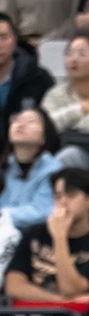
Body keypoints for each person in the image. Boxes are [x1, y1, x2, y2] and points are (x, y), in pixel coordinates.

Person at [6, 161, 89, 300]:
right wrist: (59, 301)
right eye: (58, 196)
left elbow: (70, 290)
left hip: (75, 314)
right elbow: (13, 286)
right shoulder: (35, 233)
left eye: (71, 195)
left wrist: (59, 237)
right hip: (35, 312)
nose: (63, 202)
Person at [0, 101, 57, 254]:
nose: (21, 124)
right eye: (17, 120)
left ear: (44, 137)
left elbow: (43, 210)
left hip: (31, 241)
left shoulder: (53, 169)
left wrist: (3, 215)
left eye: (31, 121)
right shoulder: (5, 164)